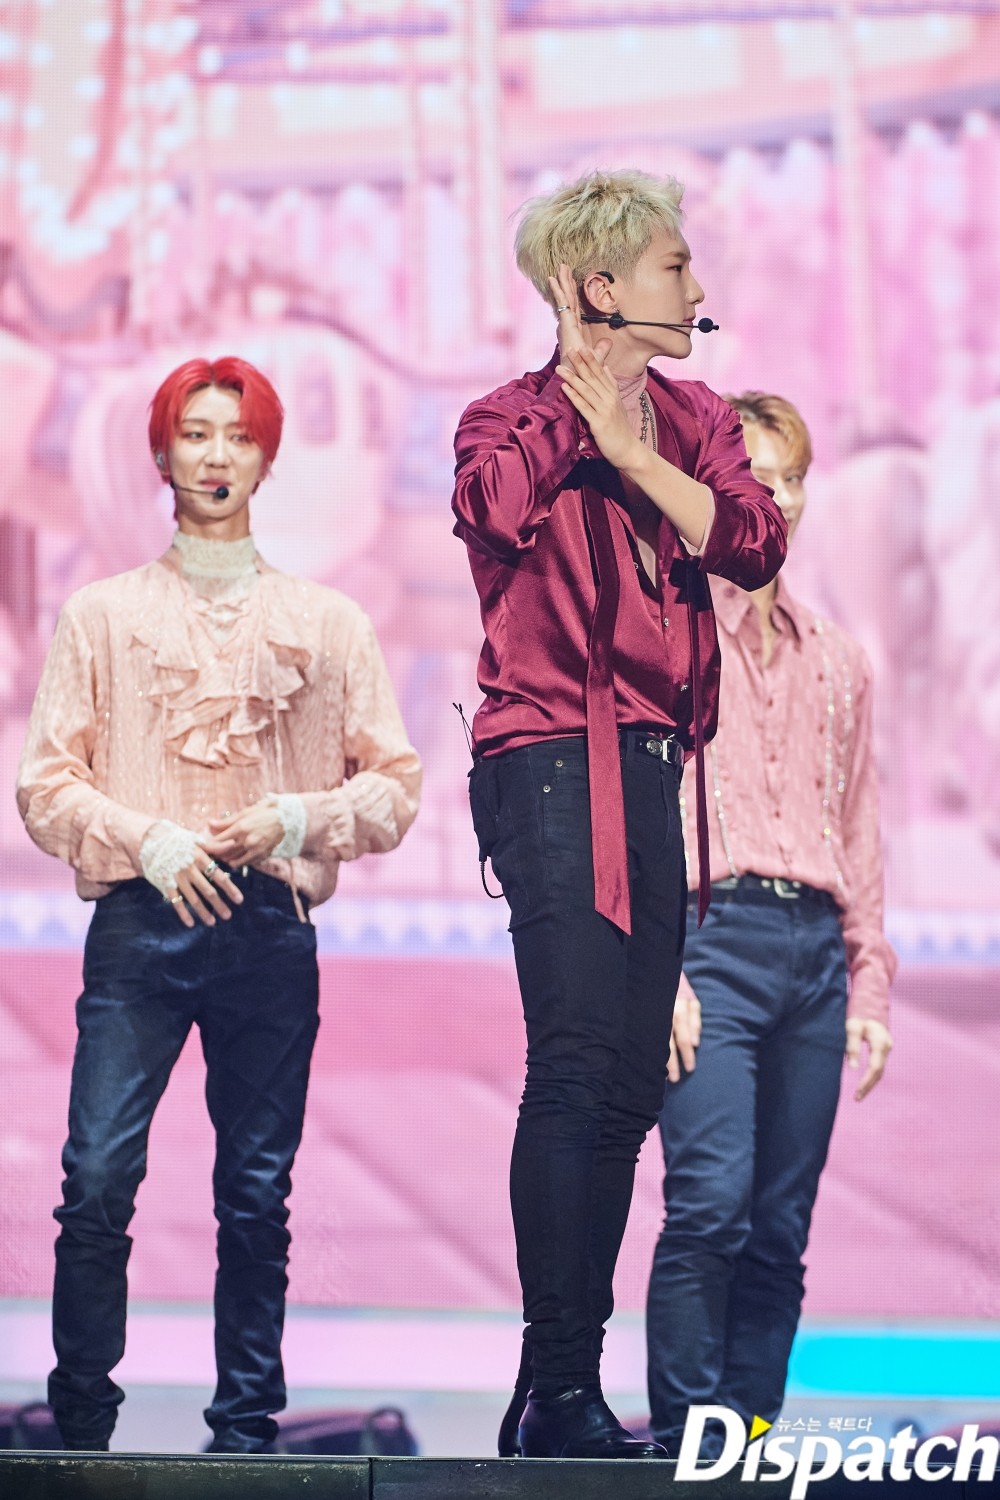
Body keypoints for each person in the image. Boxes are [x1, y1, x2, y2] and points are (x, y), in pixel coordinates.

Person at [16, 356, 421, 1454]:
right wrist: (144, 838)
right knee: (97, 1177)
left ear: (266, 458)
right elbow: (43, 784)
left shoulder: (326, 621)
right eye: (195, 434)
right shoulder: (102, 615)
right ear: (160, 453)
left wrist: (294, 819)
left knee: (254, 1193)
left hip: (267, 928)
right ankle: (80, 1428)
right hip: (139, 923)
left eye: (238, 437)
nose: (215, 456)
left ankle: (245, 1433)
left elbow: (395, 787)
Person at [451, 170, 787, 1460]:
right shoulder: (507, 415)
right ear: (599, 286)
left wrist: (635, 446)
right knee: (576, 1061)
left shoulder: (694, 419)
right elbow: (492, 511)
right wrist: (578, 408)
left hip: (653, 766)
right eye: (672, 268)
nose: (697, 291)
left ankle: (555, 1392)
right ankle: (559, 1385)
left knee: (631, 1084)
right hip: (547, 760)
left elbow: (751, 542)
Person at [645, 391, 895, 1459]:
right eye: (756, 477)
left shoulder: (838, 658)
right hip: (708, 940)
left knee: (781, 1229)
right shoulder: (666, 637)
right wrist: (657, 971)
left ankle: (743, 1447)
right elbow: (637, 820)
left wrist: (869, 983)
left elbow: (859, 826)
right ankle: (681, 1447)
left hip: (815, 956)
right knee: (710, 1204)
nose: (778, 498)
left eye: (791, 478)